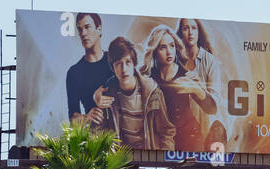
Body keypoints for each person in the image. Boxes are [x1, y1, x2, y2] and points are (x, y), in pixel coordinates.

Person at [141, 24, 217, 151]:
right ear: (154, 51)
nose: (169, 51)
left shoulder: (186, 76)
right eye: (162, 47)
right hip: (163, 142)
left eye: (171, 45)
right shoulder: (149, 78)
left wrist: (197, 90)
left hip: (190, 141)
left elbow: (212, 109)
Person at [93, 36, 175, 150]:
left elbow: (166, 132)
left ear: (134, 64)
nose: (124, 69)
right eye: (118, 64)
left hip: (149, 155)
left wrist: (162, 161)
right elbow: (97, 133)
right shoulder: (107, 93)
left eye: (128, 62)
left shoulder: (153, 92)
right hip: (121, 159)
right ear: (113, 67)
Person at [175, 18, 227, 149]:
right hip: (183, 126)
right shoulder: (175, 59)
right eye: (186, 28)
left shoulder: (209, 61)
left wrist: (198, 88)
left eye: (193, 28)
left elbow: (215, 102)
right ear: (180, 33)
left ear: (199, 32)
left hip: (207, 128)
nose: (190, 32)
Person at [66, 13, 111, 127]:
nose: (83, 33)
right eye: (80, 29)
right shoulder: (74, 72)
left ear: (99, 29)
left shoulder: (115, 61)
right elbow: (72, 118)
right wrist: (87, 117)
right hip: (97, 138)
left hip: (124, 135)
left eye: (87, 27)